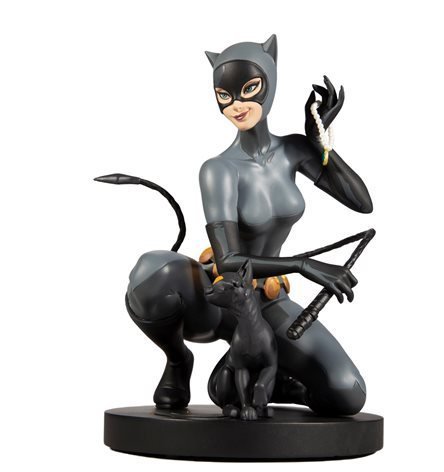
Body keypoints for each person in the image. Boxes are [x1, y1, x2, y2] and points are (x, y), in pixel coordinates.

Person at [125, 35, 373, 416]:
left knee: (347, 391)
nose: (237, 105)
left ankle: (255, 380)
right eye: (224, 96)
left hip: (269, 300)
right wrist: (303, 265)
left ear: (270, 83)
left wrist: (321, 143)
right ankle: (177, 361)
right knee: (149, 275)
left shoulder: (294, 151)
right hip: (222, 297)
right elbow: (228, 261)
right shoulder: (219, 170)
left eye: (249, 89)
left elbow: (361, 203)